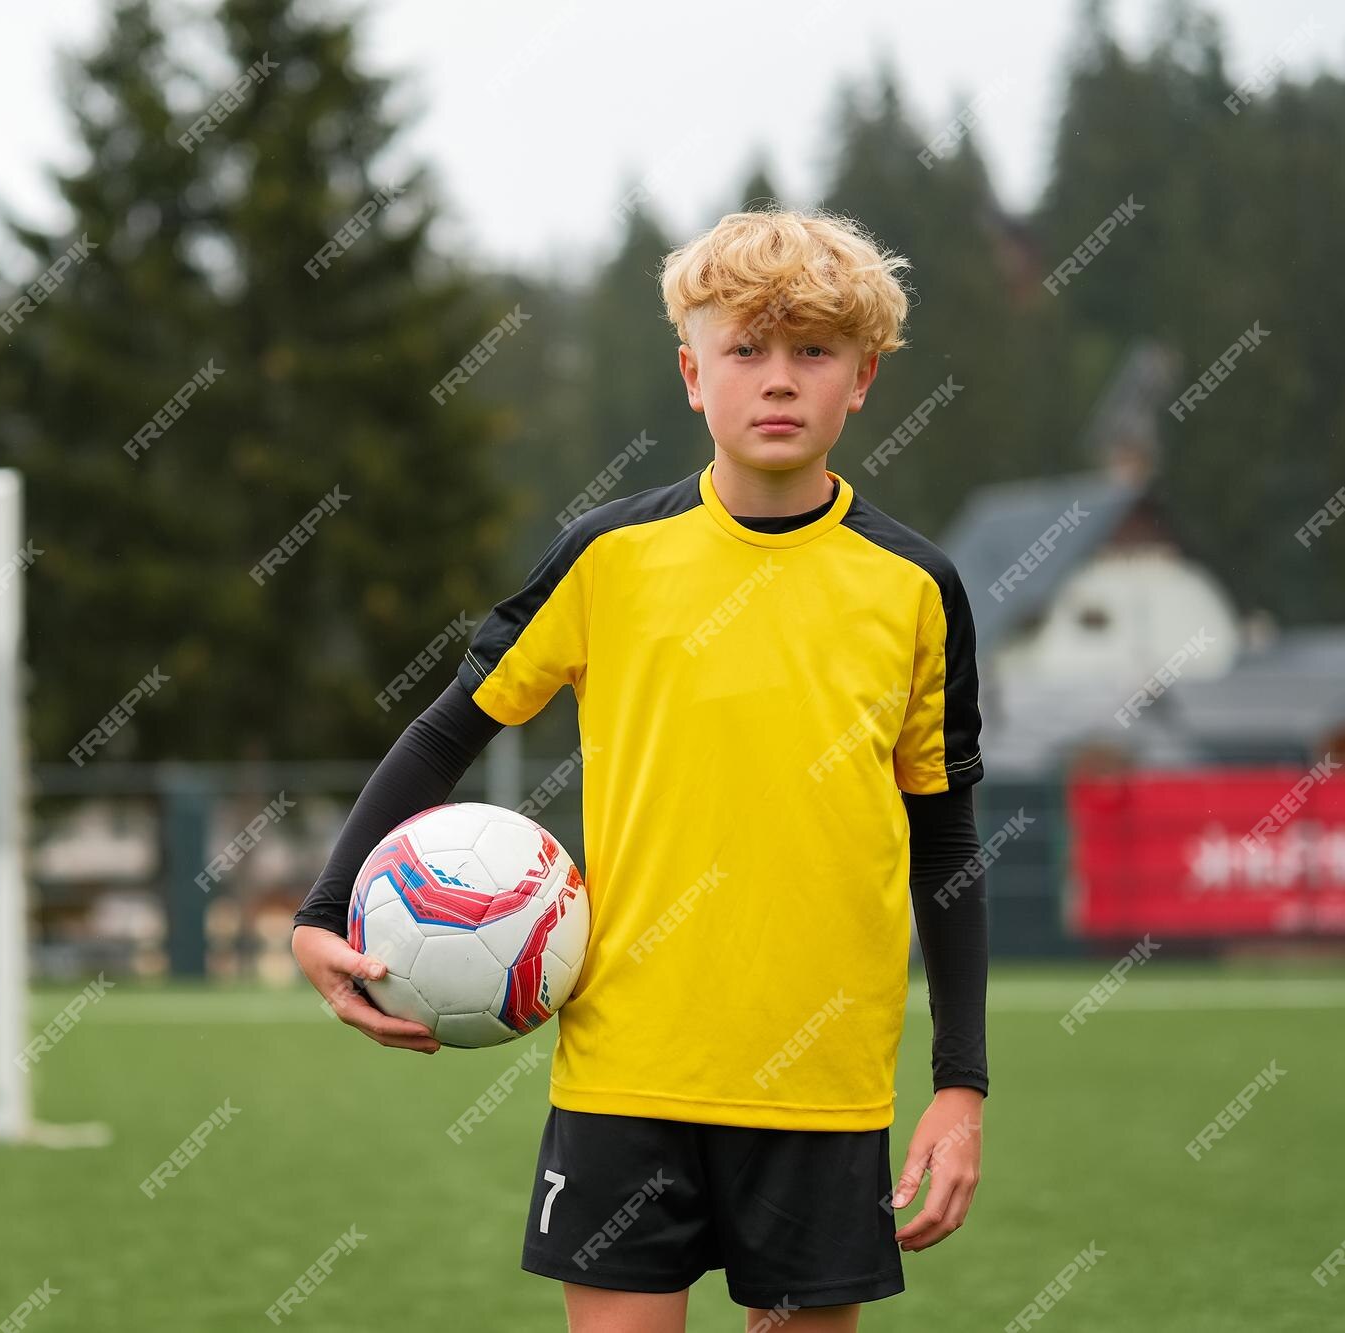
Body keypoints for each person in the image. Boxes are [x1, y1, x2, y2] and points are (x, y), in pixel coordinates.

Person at [291, 209, 988, 1333]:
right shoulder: (609, 556)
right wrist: (322, 908)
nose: (777, 380)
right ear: (688, 373)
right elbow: (443, 731)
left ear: (860, 378)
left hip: (820, 1088)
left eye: (812, 351)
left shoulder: (913, 587)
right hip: (624, 1076)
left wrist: (960, 1082)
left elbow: (945, 838)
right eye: (744, 350)